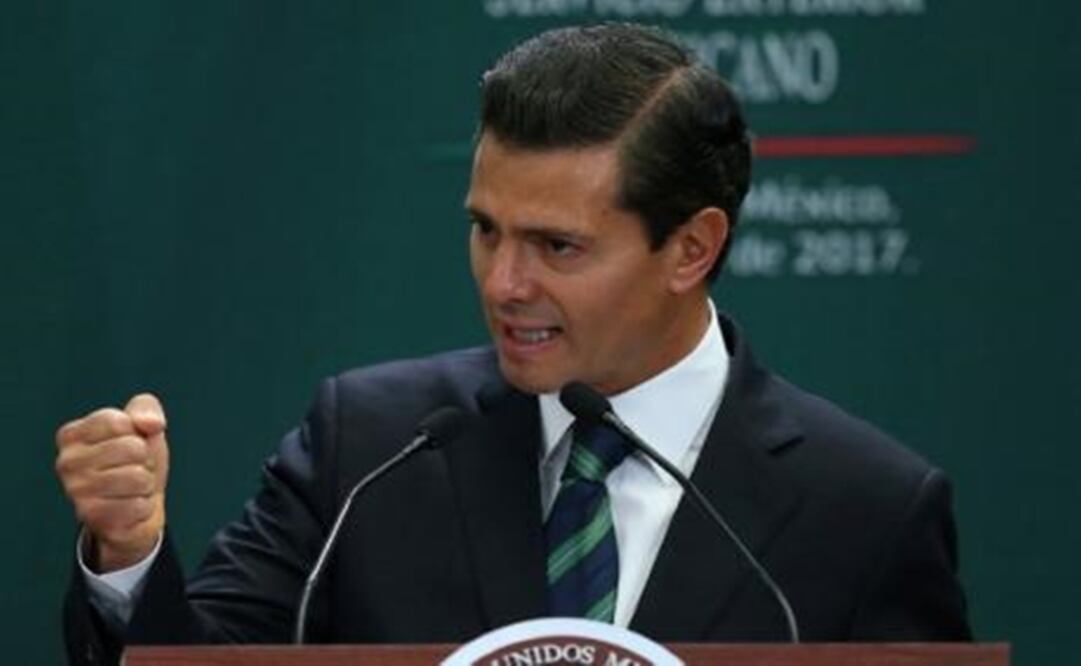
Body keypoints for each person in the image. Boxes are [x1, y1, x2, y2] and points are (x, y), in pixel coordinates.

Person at [56, 23, 971, 666]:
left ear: (690, 248)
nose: (503, 283)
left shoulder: (864, 508)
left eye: (556, 246)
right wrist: (130, 552)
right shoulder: (370, 449)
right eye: (486, 230)